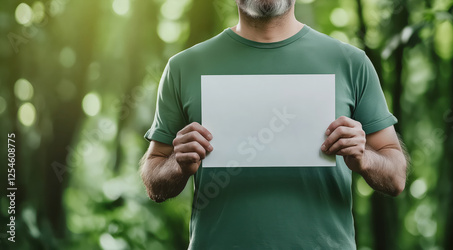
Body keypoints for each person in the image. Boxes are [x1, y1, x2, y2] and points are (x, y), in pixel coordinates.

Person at [140, 0, 408, 249]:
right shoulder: (183, 67)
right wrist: (178, 163)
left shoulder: (351, 63)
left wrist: (364, 158)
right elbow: (154, 179)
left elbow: (396, 177)